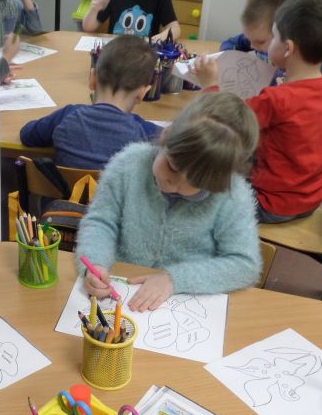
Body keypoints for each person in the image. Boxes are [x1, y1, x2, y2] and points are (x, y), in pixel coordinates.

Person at [76, 92, 261, 312]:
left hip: (186, 302)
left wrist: (175, 279)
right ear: (166, 136)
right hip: (122, 283)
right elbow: (101, 222)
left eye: (195, 183)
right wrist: (95, 262)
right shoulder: (128, 164)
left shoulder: (232, 196)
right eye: (172, 166)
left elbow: (244, 264)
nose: (175, 184)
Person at [192, 0, 322, 224]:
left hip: (268, 203)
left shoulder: (277, 99)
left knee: (193, 185)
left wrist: (209, 85)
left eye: (273, 37)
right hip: (311, 198)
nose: (268, 43)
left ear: (288, 48)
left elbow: (220, 119)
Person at [19, 35, 161, 169]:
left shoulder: (67, 116)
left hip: (66, 188)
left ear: (92, 78)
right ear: (142, 93)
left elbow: (27, 135)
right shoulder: (146, 133)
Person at [220, 0, 292, 57]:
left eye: (261, 42)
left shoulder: (292, 58)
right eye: (249, 40)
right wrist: (231, 55)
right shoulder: (257, 37)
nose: (252, 46)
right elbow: (228, 43)